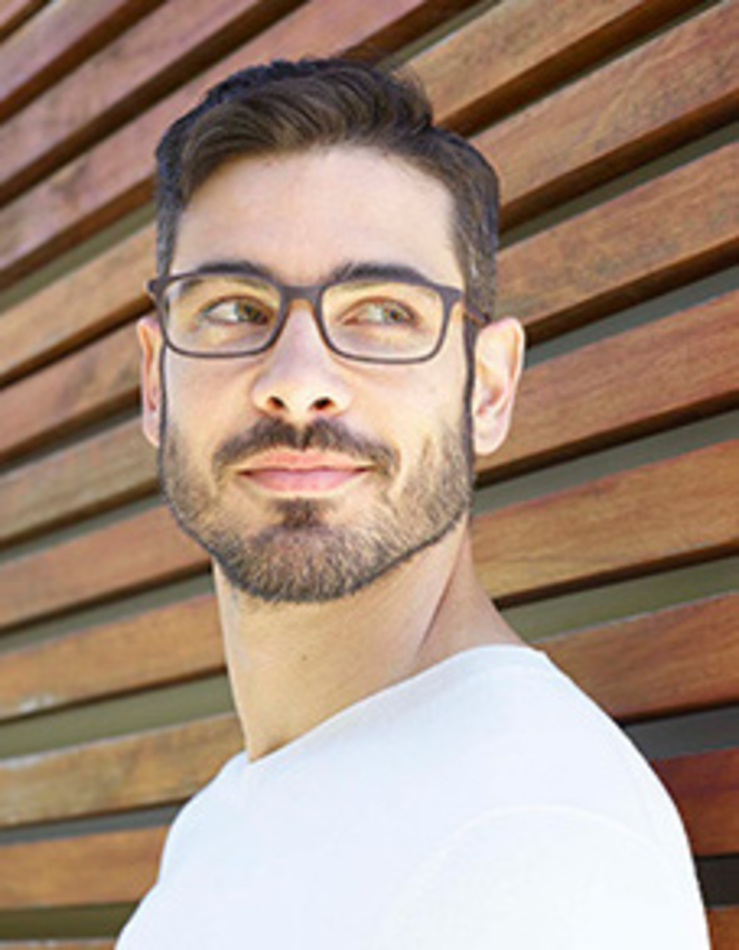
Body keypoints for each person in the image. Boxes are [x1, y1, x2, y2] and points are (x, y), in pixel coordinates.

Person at [117, 57, 709, 948]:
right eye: (235, 309)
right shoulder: (232, 811)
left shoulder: (533, 844)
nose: (298, 382)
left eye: (383, 312)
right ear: (155, 383)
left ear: (488, 390)